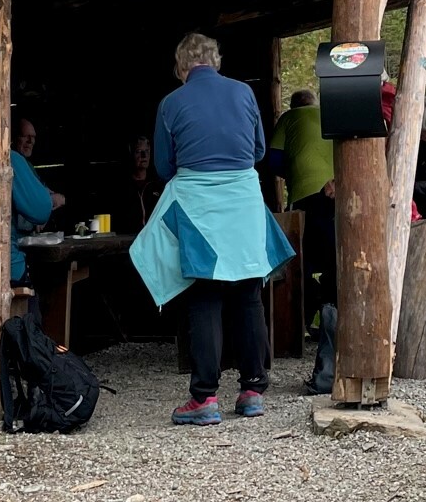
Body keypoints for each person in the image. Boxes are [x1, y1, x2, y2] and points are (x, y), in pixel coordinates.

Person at [132, 34, 294, 427]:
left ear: (180, 66)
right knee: (248, 295)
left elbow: (165, 168)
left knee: (204, 297)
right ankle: (253, 389)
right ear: (216, 61)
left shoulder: (171, 103)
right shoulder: (243, 93)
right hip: (243, 200)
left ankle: (204, 397)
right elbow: (257, 152)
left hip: (198, 205)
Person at [266, 87, 336, 308]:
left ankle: (304, 313)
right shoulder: (329, 114)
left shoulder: (289, 117)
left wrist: (294, 172)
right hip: (336, 192)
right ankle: (331, 307)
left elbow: (273, 160)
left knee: (300, 257)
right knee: (332, 255)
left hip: (305, 195)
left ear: (293, 106)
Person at [9, 115, 64, 287]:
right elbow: (40, 209)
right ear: (11, 136)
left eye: (33, 138)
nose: (30, 141)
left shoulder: (26, 166)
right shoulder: (12, 159)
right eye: (25, 136)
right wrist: (50, 201)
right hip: (10, 264)